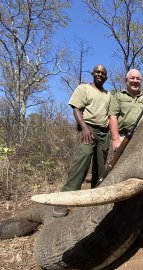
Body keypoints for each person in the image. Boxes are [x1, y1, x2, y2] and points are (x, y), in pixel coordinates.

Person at [53, 64, 111, 217]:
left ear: (106, 77)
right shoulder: (84, 88)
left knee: (100, 166)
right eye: (97, 71)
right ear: (93, 73)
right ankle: (64, 200)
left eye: (103, 73)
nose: (99, 74)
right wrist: (84, 127)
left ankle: (95, 199)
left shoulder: (108, 94)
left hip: (104, 132)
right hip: (88, 128)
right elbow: (76, 108)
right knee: (83, 159)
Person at [109, 69, 143, 151]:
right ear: (126, 81)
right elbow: (113, 118)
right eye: (132, 78)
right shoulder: (118, 96)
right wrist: (115, 139)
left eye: (138, 79)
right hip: (124, 137)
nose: (135, 81)